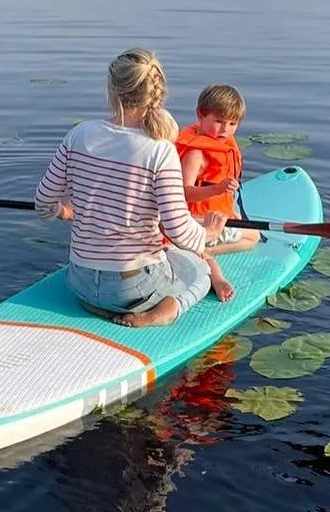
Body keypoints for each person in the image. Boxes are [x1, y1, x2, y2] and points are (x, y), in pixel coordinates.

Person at [34, 49, 226, 328]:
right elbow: (177, 231)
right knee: (201, 271)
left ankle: (98, 305)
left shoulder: (79, 134)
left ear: (112, 89)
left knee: (160, 263)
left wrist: (63, 211)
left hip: (80, 281)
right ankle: (166, 310)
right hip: (132, 289)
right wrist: (207, 234)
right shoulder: (160, 150)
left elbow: (42, 202)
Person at [175, 82, 258, 303]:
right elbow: (182, 193)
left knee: (247, 231)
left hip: (214, 216)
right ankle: (200, 251)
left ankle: (196, 249)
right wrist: (217, 189)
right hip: (196, 220)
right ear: (200, 116)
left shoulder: (224, 144)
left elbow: (225, 194)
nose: (225, 130)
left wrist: (230, 209)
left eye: (232, 123)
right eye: (218, 121)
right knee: (253, 237)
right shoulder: (196, 153)